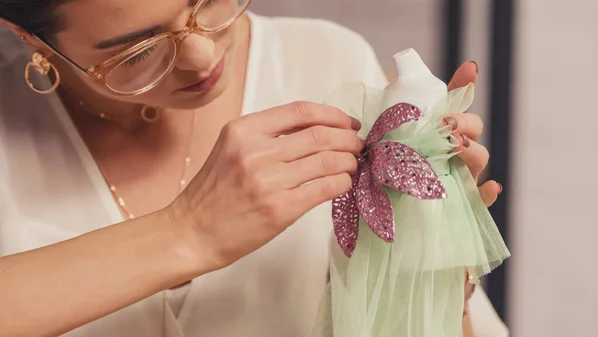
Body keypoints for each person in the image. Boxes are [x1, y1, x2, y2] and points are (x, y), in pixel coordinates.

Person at [0, 0, 506, 336]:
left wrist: (429, 281)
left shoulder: (325, 59)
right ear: (32, 39)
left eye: (205, 3)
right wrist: (188, 232)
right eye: (139, 51)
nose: (201, 56)